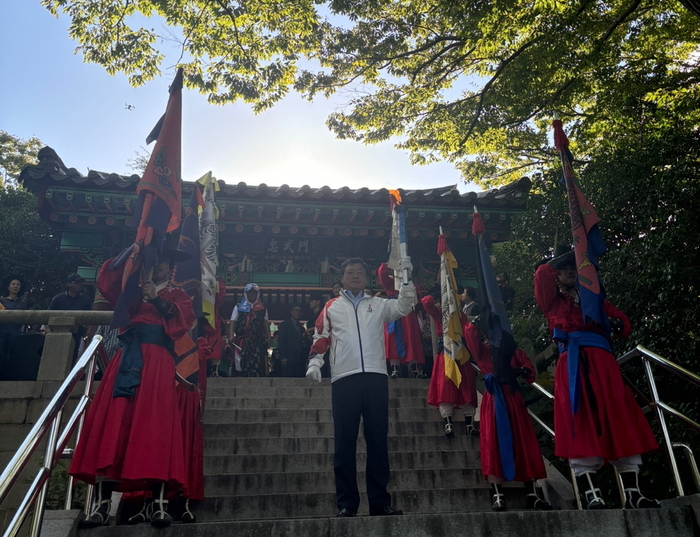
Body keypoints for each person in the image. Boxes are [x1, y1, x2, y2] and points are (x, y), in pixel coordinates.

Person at [69, 240, 195, 528]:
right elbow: (107, 284)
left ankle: (159, 503)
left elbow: (180, 324)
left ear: (171, 266)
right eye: (156, 260)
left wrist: (157, 299)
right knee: (116, 423)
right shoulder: (132, 290)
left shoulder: (179, 295)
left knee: (157, 426)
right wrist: (131, 253)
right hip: (127, 360)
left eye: (164, 261)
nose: (160, 265)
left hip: (159, 363)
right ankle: (100, 506)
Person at [534, 248, 659, 510]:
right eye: (565, 268)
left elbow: (623, 322)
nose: (570, 270)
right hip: (573, 366)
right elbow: (542, 275)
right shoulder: (553, 301)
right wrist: (565, 257)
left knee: (619, 418)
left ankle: (634, 494)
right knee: (580, 422)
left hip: (604, 365)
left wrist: (615, 323)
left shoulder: (595, 299)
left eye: (574, 266)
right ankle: (593, 494)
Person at [306, 257, 415, 517]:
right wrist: (315, 363)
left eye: (359, 273)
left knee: (378, 441)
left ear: (366, 278)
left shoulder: (377, 305)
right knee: (344, 443)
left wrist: (406, 279)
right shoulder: (331, 307)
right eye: (350, 272)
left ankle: (380, 502)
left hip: (376, 378)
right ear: (342, 278)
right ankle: (346, 503)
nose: (354, 276)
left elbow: (404, 306)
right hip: (344, 379)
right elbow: (321, 336)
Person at [463, 322, 551, 511]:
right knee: (492, 443)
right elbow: (470, 335)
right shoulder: (484, 351)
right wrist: (479, 319)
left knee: (522, 442)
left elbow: (530, 373)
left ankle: (532, 493)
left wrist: (523, 370)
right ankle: (497, 494)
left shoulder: (513, 351)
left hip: (512, 397)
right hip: (494, 398)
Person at [421, 293, 479, 438]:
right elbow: (426, 302)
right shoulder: (440, 312)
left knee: (466, 388)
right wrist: (440, 294)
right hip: (446, 355)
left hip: (461, 354)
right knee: (445, 388)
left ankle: (469, 425)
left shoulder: (461, 314)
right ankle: (448, 423)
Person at [376, 263, 424, 379]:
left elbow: (417, 301)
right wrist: (391, 261)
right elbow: (382, 274)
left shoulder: (411, 284)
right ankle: (394, 370)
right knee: (392, 340)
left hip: (408, 313)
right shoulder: (390, 282)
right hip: (394, 310)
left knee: (411, 340)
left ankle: (415, 370)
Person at [48, 273, 93, 362]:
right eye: (76, 282)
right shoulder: (58, 299)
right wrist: (48, 330)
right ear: (68, 284)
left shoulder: (85, 300)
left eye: (80, 282)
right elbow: (48, 315)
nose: (79, 284)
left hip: (77, 335)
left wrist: (88, 330)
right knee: (56, 358)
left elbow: (90, 318)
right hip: (58, 334)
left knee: (74, 358)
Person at [229, 283, 270, 377]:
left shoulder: (262, 308)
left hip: (257, 341)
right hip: (242, 342)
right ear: (245, 294)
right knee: (241, 362)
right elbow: (233, 321)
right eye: (250, 293)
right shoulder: (238, 307)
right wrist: (231, 335)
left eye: (254, 293)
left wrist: (268, 336)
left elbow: (265, 322)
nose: (252, 295)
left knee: (258, 363)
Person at [0, 275, 29, 369]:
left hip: (16, 332)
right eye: (13, 284)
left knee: (13, 354)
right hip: (2, 331)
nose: (15, 286)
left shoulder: (23, 304)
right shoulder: (1, 301)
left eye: (18, 285)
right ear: (8, 287)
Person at [277, 305, 307, 378]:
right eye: (296, 310)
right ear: (291, 312)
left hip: (299, 358)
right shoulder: (284, 325)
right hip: (288, 356)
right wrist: (283, 357)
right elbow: (281, 341)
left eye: (299, 311)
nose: (298, 313)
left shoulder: (301, 328)